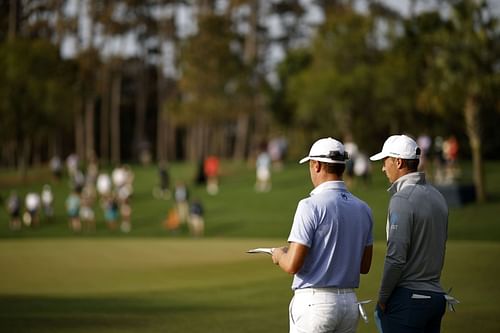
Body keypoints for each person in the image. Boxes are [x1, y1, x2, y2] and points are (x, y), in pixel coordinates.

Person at [271, 137, 374, 333]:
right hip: (349, 304)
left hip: (315, 304)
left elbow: (292, 264)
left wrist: (278, 255)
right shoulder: (364, 208)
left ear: (316, 165)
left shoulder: (309, 205)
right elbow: (364, 266)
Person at [369, 134, 449, 333]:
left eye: (385, 161)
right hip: (436, 298)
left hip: (409, 301)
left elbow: (396, 258)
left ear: (398, 161)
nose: (382, 167)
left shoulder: (402, 199)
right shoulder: (437, 196)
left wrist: (383, 297)